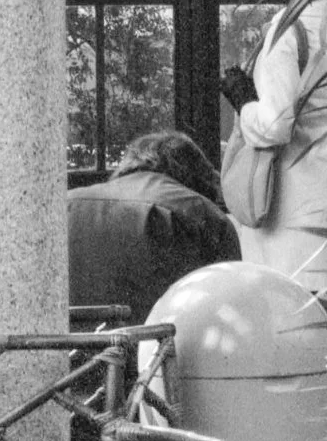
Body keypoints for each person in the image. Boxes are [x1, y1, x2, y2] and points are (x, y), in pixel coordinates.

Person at [229, 0, 327, 286]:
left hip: (292, 215)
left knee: (290, 319)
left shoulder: (290, 28)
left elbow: (274, 126)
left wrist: (243, 104)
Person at [67, 129, 240, 320]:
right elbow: (229, 311)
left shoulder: (66, 204)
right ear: (200, 176)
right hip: (157, 345)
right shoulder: (201, 213)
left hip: (65, 345)